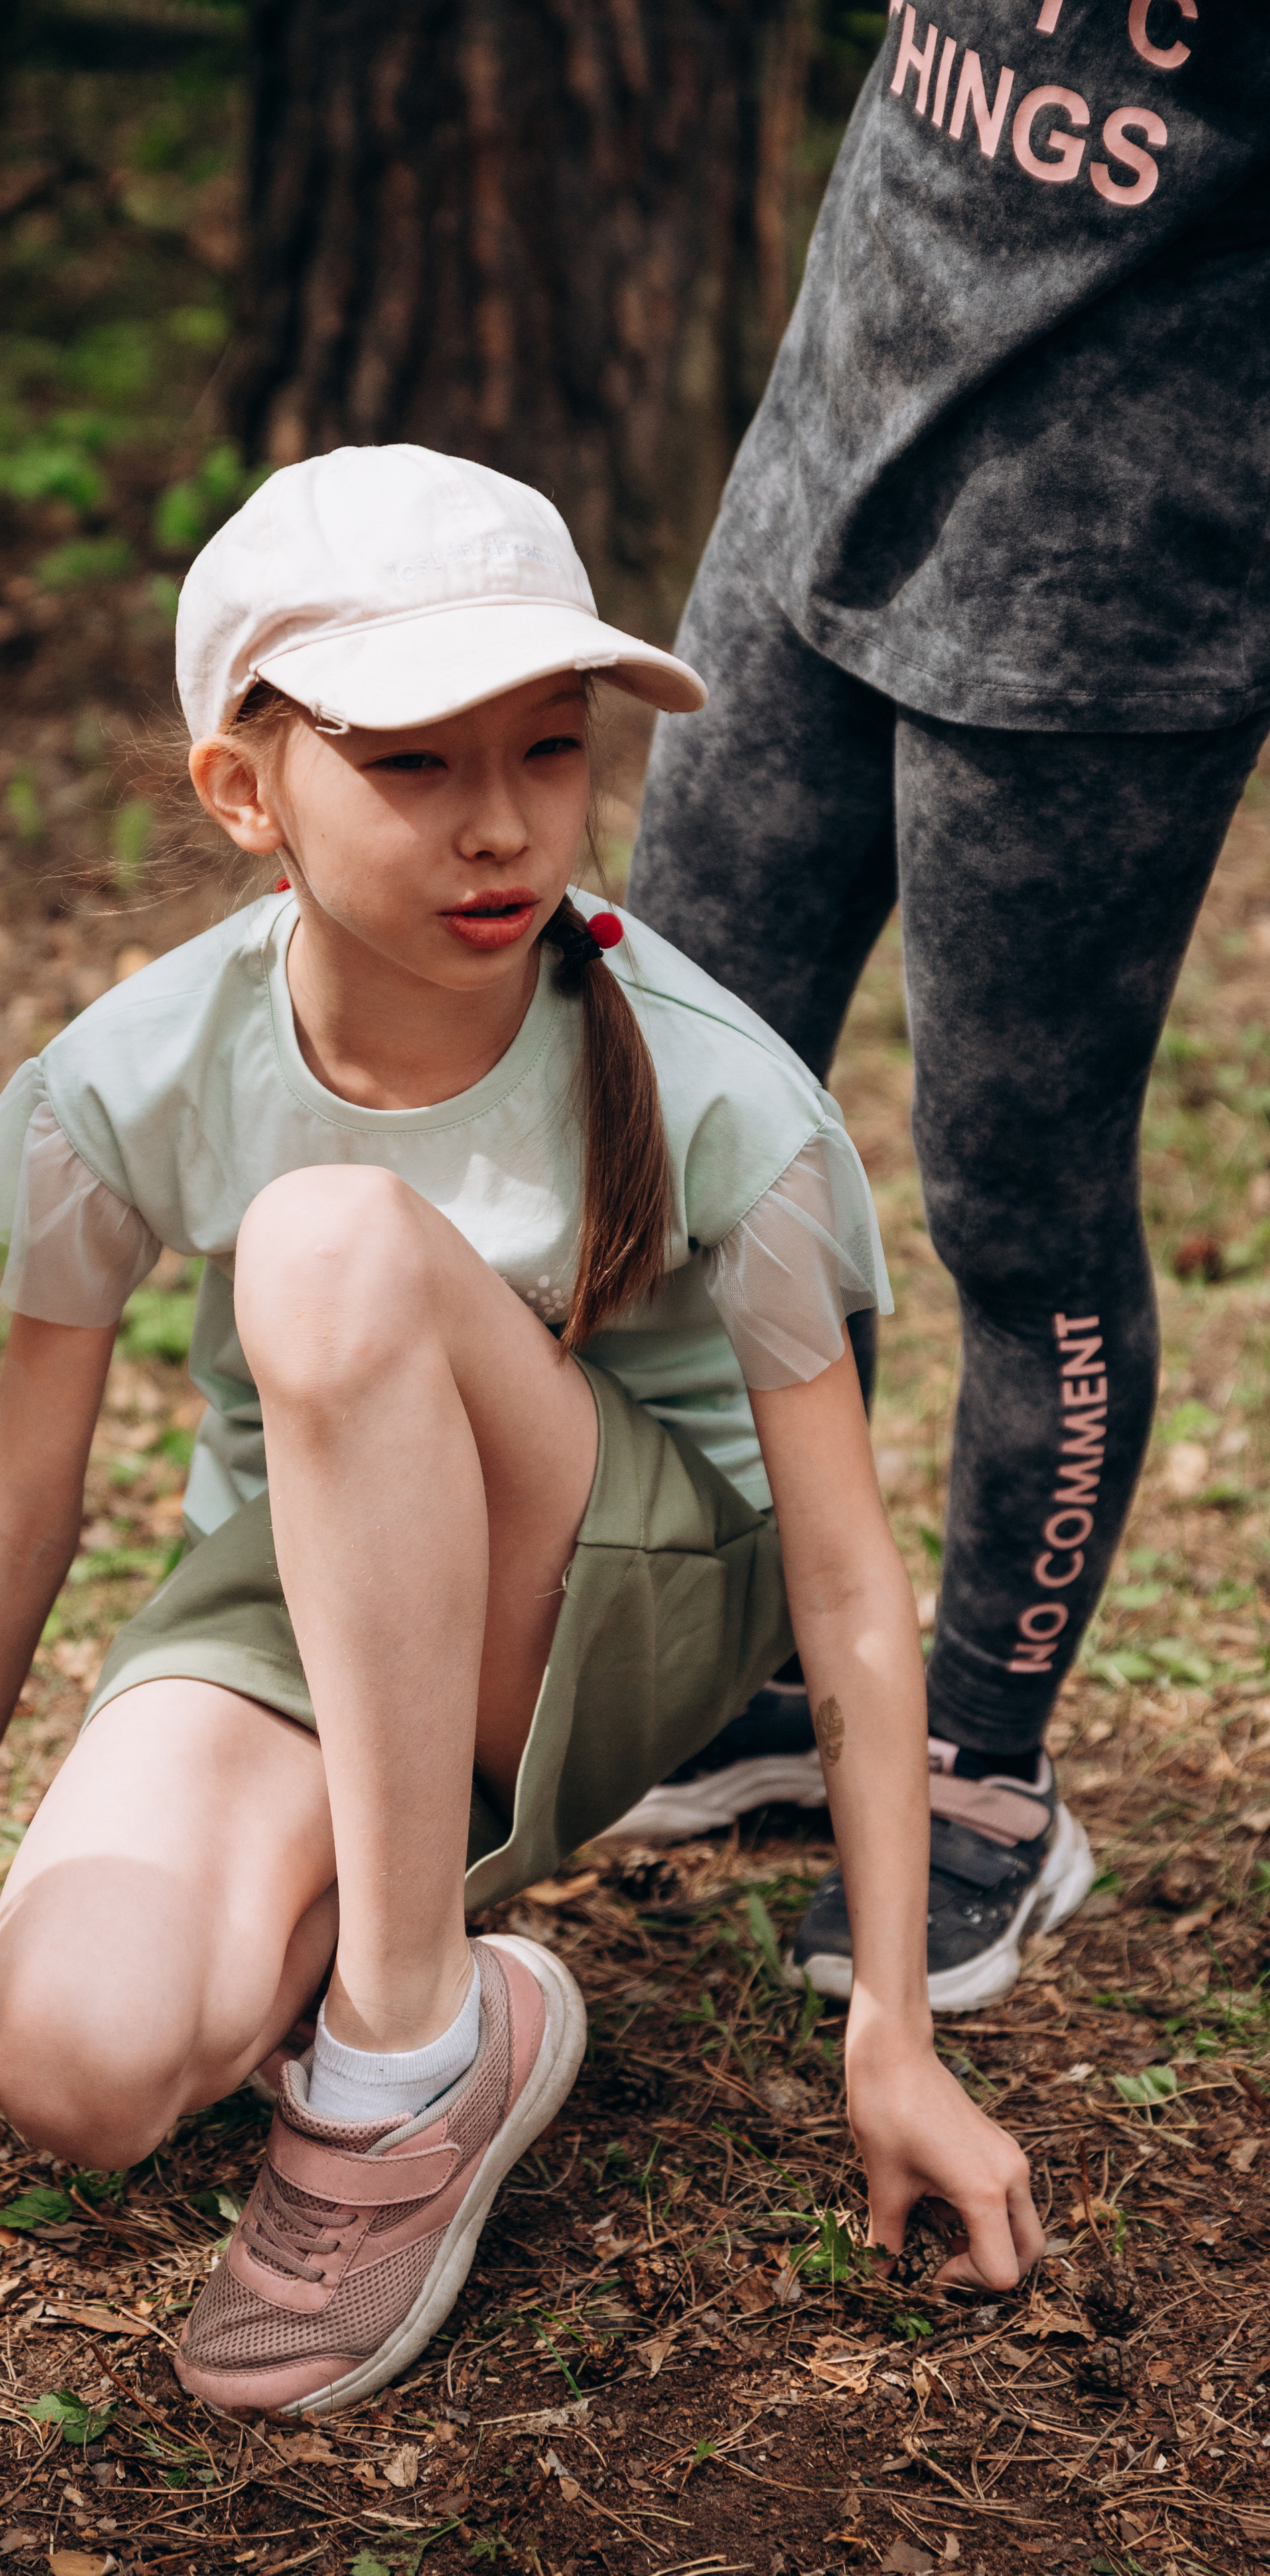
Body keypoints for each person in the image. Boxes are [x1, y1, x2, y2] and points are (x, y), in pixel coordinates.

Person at [0, 445, 1039, 2419]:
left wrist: (894, 2034)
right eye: (415, 765)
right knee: (77, 2072)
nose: (502, 827)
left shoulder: (713, 1088)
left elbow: (853, 1589)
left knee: (329, 1244)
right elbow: (19, 1515)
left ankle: (403, 2041)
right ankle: (471, 1987)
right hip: (310, 1599)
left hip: (623, 1597)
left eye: (546, 749)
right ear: (247, 792)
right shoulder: (135, 1075)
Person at [614, 0, 1270, 2013]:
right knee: (672, 1088)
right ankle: (775, 1676)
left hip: (1109, 572)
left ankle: (984, 1763)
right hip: (827, 448)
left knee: (1012, 1195)